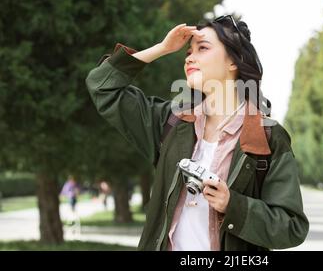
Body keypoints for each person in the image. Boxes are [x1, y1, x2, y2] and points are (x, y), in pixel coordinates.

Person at [86, 15, 309, 251]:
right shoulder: (171, 123)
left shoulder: (267, 137)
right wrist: (162, 48)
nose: (190, 57)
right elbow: (102, 86)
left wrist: (232, 205)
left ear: (234, 61)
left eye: (202, 48)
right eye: (188, 52)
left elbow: (291, 227)